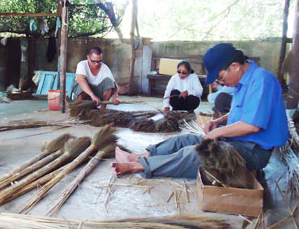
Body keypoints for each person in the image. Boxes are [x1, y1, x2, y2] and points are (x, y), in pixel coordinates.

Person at [112, 43, 289, 178]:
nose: (220, 83)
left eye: (220, 78)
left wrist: (218, 131)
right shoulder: (244, 81)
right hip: (237, 141)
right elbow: (242, 112)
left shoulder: (262, 81)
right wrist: (219, 121)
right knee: (184, 140)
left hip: (253, 151)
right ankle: (137, 157)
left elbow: (252, 125)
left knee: (195, 153)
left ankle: (138, 166)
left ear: (234, 66)